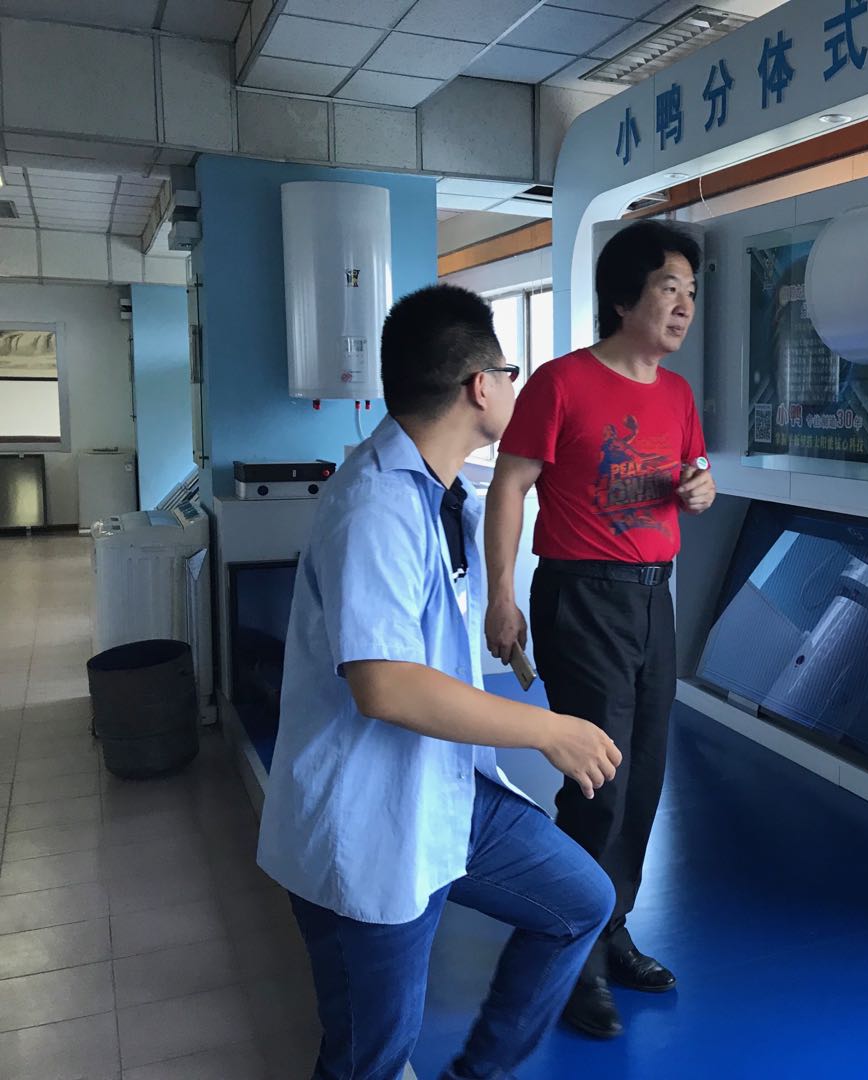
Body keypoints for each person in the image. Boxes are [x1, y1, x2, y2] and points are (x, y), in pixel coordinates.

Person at [256, 283, 623, 1080]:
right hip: (368, 818)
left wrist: (496, 611)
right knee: (369, 1058)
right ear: (480, 386)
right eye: (511, 371)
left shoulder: (442, 492)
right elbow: (385, 686)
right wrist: (548, 729)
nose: (516, 386)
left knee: (580, 903)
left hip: (446, 794)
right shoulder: (377, 504)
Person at [483, 221, 717, 1040]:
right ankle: (570, 950)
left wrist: (700, 490)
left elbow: (694, 475)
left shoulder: (677, 395)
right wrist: (503, 595)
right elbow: (509, 487)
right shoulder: (561, 383)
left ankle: (609, 925)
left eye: (691, 292)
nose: (684, 306)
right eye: (668, 289)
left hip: (655, 598)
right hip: (582, 597)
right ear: (623, 299)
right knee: (597, 779)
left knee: (644, 776)